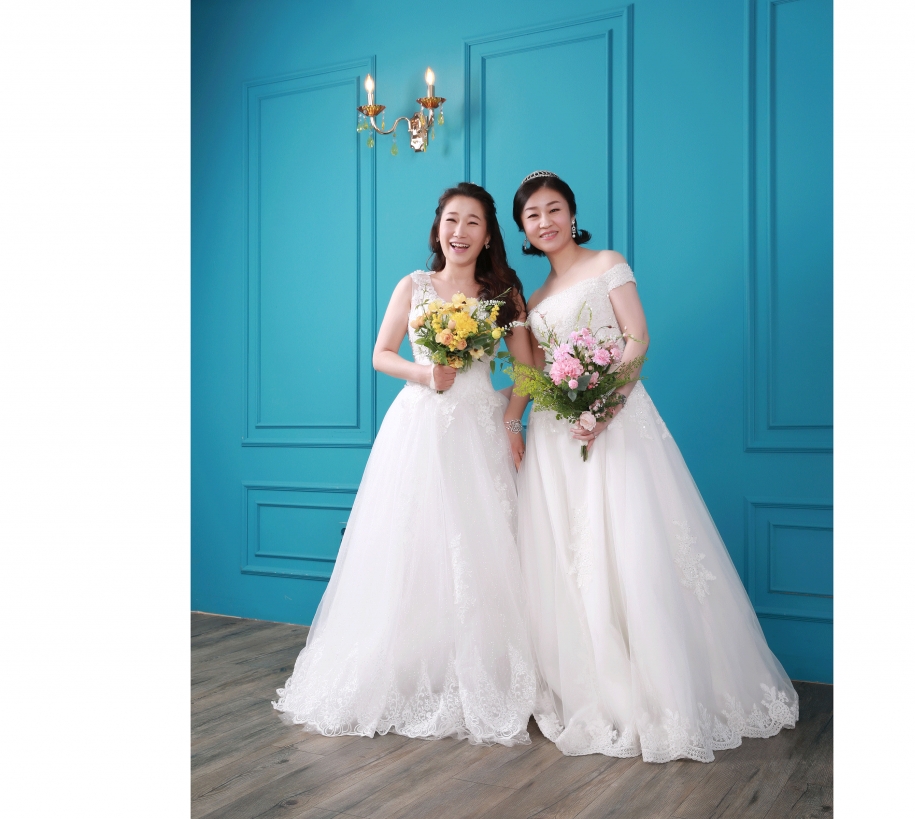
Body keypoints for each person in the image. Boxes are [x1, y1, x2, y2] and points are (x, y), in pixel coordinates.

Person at [508, 170, 799, 763]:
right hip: (556, 437)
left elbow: (637, 338)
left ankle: (663, 691)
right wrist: (510, 418)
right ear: (523, 230)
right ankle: (596, 685)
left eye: (554, 208)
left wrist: (604, 407)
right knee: (573, 552)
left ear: (571, 213)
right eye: (532, 215)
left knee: (632, 545)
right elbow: (530, 374)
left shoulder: (608, 263)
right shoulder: (532, 301)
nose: (545, 221)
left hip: (616, 423)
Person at [273, 182, 537, 746]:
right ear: (438, 229)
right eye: (451, 220)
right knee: (413, 540)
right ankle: (414, 667)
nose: (460, 232)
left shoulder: (504, 293)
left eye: (473, 222)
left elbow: (527, 370)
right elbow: (380, 354)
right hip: (419, 427)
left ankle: (486, 670)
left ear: (489, 235)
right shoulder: (414, 285)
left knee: (481, 542)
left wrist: (513, 421)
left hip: (479, 429)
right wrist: (425, 374)